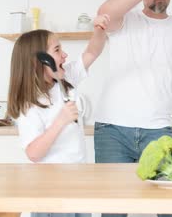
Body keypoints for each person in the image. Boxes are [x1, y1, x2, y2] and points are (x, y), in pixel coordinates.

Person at [94, 0, 172, 217]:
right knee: (113, 211)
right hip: (112, 130)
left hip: (158, 131)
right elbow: (104, 11)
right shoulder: (124, 21)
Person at [7, 13, 109, 217]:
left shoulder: (64, 79)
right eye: (57, 50)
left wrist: (99, 30)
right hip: (51, 192)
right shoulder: (30, 104)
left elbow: (92, 52)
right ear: (40, 61)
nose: (64, 55)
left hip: (77, 185)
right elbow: (33, 153)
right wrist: (60, 121)